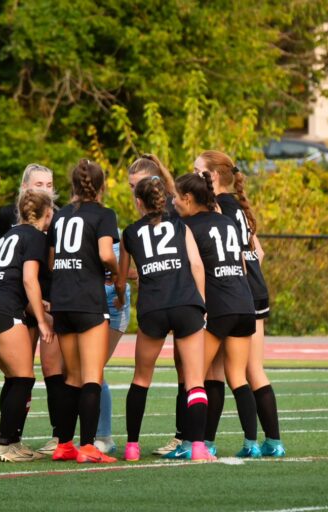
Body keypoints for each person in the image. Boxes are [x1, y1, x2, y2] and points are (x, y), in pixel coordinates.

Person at [117, 175, 212, 462]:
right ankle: (197, 447)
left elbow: (121, 281)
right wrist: (202, 304)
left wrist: (121, 299)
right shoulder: (180, 226)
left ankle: (132, 447)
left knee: (141, 378)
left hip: (153, 307)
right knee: (195, 380)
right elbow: (196, 265)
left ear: (138, 202)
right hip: (185, 303)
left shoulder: (130, 234)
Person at [195, 150, 284, 457]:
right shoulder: (240, 206)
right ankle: (270, 442)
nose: (193, 174)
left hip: (234, 292)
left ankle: (210, 441)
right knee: (242, 370)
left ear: (213, 176)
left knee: (228, 372)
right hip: (251, 290)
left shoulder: (217, 207)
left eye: (197, 170)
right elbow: (257, 252)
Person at [174, 170, 262, 457]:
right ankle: (252, 443)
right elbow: (242, 264)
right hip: (244, 303)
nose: (173, 202)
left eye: (176, 197)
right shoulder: (227, 222)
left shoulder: (187, 227)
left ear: (188, 198)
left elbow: (190, 268)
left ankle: (192, 443)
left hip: (218, 308)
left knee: (194, 378)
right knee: (237, 376)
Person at [0, 189, 55, 462]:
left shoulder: (8, 235)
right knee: (24, 378)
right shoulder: (36, 237)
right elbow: (29, 280)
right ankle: (4, 444)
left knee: (13, 376)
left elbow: (8, 277)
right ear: (48, 214)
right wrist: (41, 320)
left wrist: (39, 306)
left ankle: (10, 440)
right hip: (2, 309)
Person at [0, 163, 65, 456]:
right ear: (24, 188)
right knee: (19, 372)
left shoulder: (58, 218)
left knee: (50, 368)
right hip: (15, 300)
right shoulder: (10, 214)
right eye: (38, 184)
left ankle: (60, 435)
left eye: (49, 185)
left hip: (44, 300)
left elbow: (55, 262)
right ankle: (11, 437)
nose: (45, 190)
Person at [48, 159, 120, 464]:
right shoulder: (104, 214)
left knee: (71, 377)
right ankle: (89, 446)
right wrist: (115, 272)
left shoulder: (60, 215)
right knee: (92, 375)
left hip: (62, 301)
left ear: (73, 186)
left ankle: (64, 444)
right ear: (101, 186)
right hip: (89, 300)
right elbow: (106, 253)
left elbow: (51, 261)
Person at [126, 155, 186, 456]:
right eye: (132, 185)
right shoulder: (161, 221)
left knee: (182, 371)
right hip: (179, 301)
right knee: (182, 373)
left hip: (160, 303)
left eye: (138, 185)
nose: (135, 191)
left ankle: (177, 438)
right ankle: (190, 441)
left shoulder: (176, 213)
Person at [93, 238, 131, 455]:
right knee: (81, 370)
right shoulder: (83, 223)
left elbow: (136, 269)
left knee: (95, 369)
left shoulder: (115, 232)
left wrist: (119, 280)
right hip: (89, 301)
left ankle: (104, 436)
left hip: (114, 303)